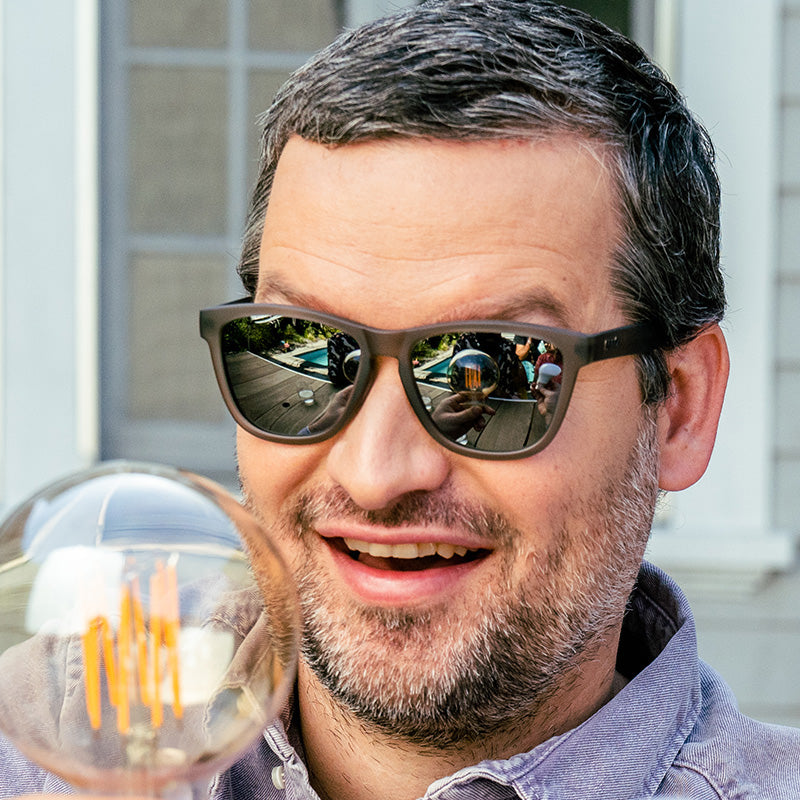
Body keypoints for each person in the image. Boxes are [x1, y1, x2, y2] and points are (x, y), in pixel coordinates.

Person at [2, 1, 799, 798]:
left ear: (681, 410)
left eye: (492, 371)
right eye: (305, 351)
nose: (378, 472)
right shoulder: (37, 741)